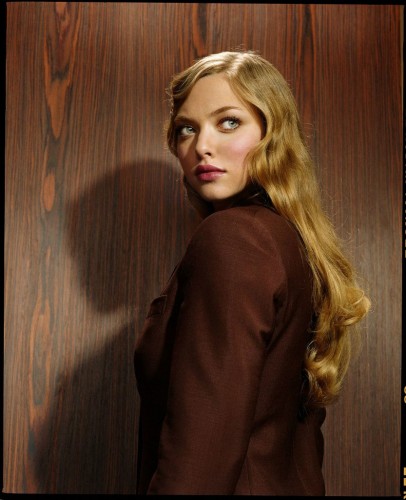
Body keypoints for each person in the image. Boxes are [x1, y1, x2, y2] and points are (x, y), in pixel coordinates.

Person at [133, 50, 370, 495]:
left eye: (228, 122)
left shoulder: (234, 239)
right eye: (187, 128)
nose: (202, 146)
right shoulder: (289, 243)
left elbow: (199, 460)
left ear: (272, 134)